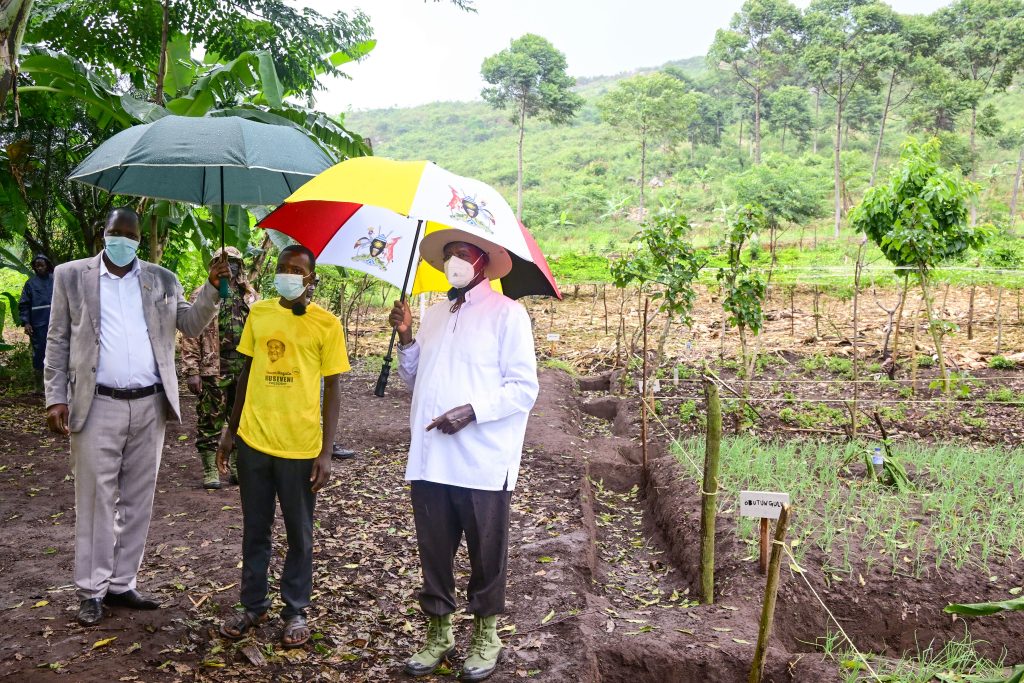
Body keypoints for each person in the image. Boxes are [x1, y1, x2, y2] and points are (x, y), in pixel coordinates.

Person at [44, 207, 228, 627]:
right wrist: (55, 398)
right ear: (103, 234)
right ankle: (92, 589)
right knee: (95, 498)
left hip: (149, 405)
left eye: (131, 235)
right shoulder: (71, 276)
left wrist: (212, 289)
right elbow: (57, 340)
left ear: (140, 241)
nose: (123, 240)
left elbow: (191, 324)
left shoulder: (162, 279)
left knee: (138, 499)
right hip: (96, 403)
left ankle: (122, 583)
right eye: (117, 232)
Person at [388, 231, 539, 681]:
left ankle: (486, 635)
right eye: (449, 254)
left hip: (481, 462)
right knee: (434, 551)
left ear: (483, 262)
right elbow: (416, 380)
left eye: (463, 254)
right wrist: (407, 337)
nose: (454, 260)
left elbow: (523, 388)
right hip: (431, 458)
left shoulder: (508, 315)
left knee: (485, 553)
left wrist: (472, 411)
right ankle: (439, 633)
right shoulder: (435, 314)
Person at [215, 244, 349, 649]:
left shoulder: (327, 324)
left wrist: (326, 451)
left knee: (299, 533)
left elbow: (333, 389)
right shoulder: (259, 313)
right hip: (255, 441)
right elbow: (247, 372)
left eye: (296, 270)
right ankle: (254, 605)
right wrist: (231, 430)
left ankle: (295, 610)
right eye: (282, 267)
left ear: (311, 278)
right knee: (255, 529)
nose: (288, 274)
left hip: (300, 447)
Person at [180, 246, 259, 489]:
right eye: (223, 261)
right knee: (210, 418)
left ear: (240, 266)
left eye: (233, 262)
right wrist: (192, 371)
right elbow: (190, 334)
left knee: (241, 418)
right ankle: (210, 469)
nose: (229, 266)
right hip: (213, 367)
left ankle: (235, 465)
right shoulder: (201, 294)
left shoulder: (250, 296)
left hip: (244, 367)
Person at [19, 254, 55, 385]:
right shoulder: (30, 284)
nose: (39, 268)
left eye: (42, 265)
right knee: (39, 351)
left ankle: (57, 383)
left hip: (57, 322)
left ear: (47, 266)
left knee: (58, 351)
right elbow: (24, 304)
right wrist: (26, 322)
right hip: (38, 324)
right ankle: (39, 385)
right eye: (37, 266)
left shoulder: (55, 280)